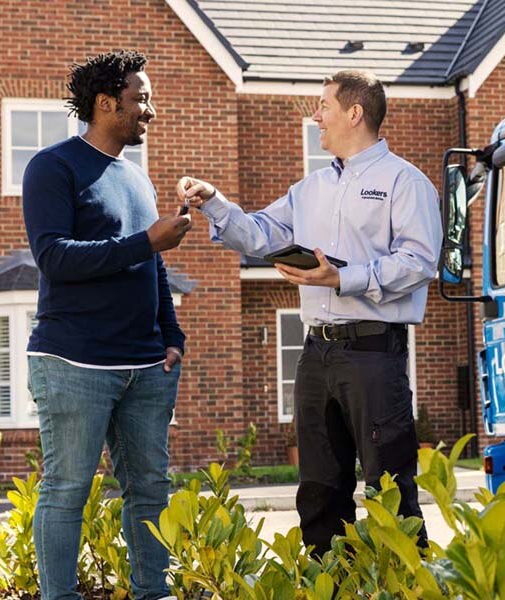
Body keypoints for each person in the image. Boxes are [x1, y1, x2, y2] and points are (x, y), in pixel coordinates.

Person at [177, 70, 442, 555]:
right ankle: (329, 583)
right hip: (315, 354)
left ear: (355, 113)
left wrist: (342, 278)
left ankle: (406, 584)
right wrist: (215, 203)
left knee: (390, 492)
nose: (315, 116)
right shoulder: (311, 187)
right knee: (319, 490)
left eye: (323, 106)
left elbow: (420, 261)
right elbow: (260, 234)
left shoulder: (406, 182)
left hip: (374, 354)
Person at [22, 51, 191, 600]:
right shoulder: (53, 166)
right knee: (68, 490)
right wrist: (147, 240)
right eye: (142, 98)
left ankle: (154, 593)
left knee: (149, 491)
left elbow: (153, 265)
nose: (151, 110)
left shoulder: (137, 178)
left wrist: (172, 337)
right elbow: (55, 257)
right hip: (73, 362)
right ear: (105, 103)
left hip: (146, 367)